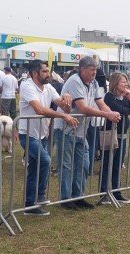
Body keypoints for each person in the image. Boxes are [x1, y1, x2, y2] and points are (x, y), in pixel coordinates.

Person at [53, 57, 120, 209]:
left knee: (84, 164)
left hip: (81, 131)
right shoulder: (74, 81)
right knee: (67, 165)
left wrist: (112, 113)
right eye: (92, 70)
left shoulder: (94, 83)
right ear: (82, 70)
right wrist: (107, 115)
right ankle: (66, 199)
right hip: (65, 130)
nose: (94, 73)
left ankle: (79, 196)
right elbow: (83, 108)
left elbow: (100, 102)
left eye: (96, 70)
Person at [17, 60, 76, 216]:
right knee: (45, 160)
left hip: (42, 134)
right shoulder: (27, 86)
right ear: (35, 73)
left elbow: (65, 108)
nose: (48, 74)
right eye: (44, 71)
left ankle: (30, 205)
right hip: (27, 134)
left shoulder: (49, 87)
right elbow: (39, 109)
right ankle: (40, 194)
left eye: (48, 71)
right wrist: (63, 115)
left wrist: (66, 100)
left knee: (34, 168)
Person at [97, 72, 130, 205]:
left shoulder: (125, 97)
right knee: (107, 164)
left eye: (126, 82)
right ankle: (103, 193)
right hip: (111, 135)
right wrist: (127, 110)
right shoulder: (109, 97)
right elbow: (119, 110)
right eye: (123, 82)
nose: (126, 84)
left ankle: (117, 192)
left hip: (122, 136)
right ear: (116, 83)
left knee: (117, 165)